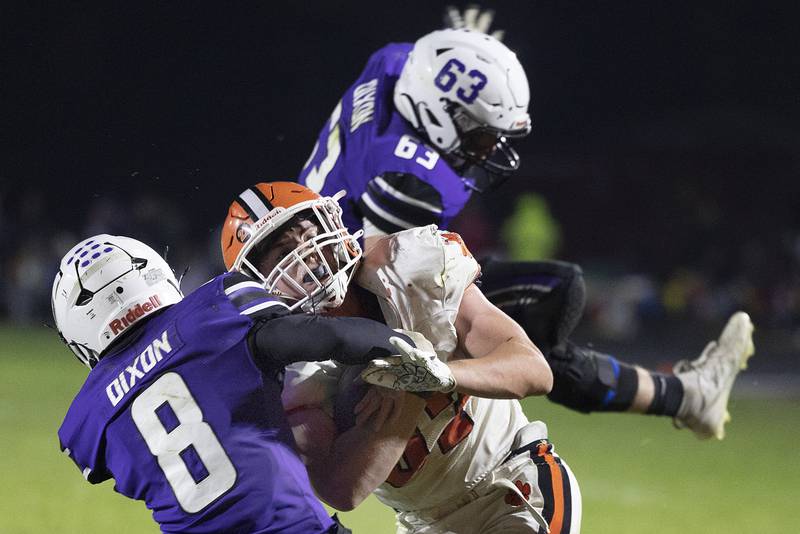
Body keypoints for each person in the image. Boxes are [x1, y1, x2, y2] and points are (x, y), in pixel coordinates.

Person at [296, 27, 755, 440]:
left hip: (335, 270)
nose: (491, 150)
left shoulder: (395, 64)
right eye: (480, 137)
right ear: (434, 112)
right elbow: (396, 286)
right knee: (546, 301)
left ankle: (685, 396)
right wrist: (420, 368)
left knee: (538, 316)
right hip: (349, 302)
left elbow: (432, 64)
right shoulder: (412, 180)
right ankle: (682, 396)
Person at [221, 181, 582, 533]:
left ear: (333, 224)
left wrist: (438, 374)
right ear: (256, 281)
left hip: (513, 483)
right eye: (282, 251)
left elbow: (533, 370)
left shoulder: (405, 269)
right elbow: (342, 489)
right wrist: (409, 397)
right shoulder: (286, 371)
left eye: (306, 233)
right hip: (422, 524)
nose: (306, 253)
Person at [53, 233, 450, 533]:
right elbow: (326, 337)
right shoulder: (211, 313)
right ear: (153, 273)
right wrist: (401, 347)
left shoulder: (86, 422)